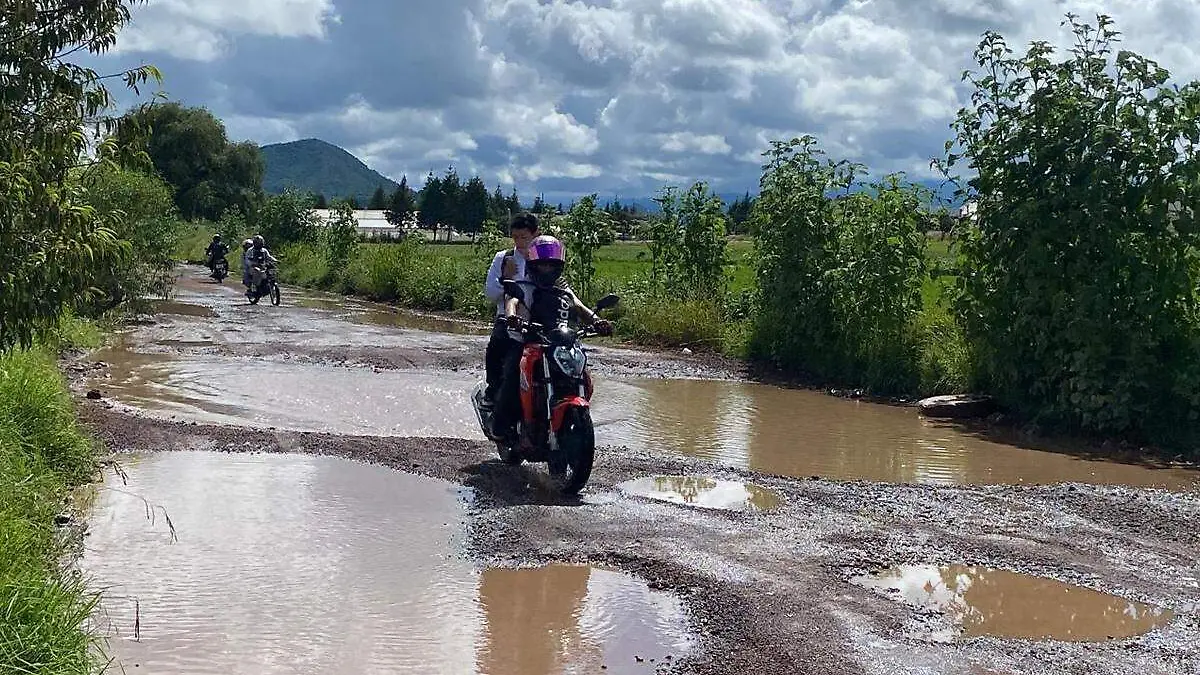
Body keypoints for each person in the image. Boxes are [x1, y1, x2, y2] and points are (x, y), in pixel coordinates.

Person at [489, 234, 612, 445]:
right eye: (543, 265)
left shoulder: (563, 291)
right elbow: (512, 300)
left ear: (559, 266)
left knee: (583, 375)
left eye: (551, 265)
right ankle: (499, 426)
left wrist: (598, 321)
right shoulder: (526, 288)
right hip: (529, 343)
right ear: (533, 265)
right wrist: (511, 316)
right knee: (513, 377)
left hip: (560, 344)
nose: (547, 269)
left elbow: (581, 309)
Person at [481, 213, 538, 407]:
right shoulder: (503, 258)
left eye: (524, 237)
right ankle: (493, 389)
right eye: (515, 237)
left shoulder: (543, 258)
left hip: (538, 317)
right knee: (496, 346)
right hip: (508, 316)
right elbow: (490, 292)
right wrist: (507, 280)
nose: (520, 242)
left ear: (535, 235)